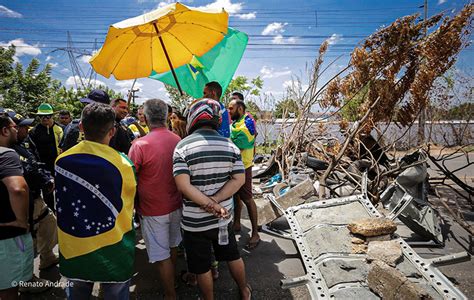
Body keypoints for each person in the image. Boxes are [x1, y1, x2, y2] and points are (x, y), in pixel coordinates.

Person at [55, 103, 136, 300]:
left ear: (81, 127)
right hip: (114, 247)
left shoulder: (61, 161)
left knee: (77, 293)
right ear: (113, 131)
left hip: (74, 249)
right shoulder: (124, 163)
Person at [173, 99, 251, 300]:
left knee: (201, 267)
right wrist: (216, 201)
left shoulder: (182, 147)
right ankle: (244, 291)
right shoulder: (230, 145)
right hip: (223, 219)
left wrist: (210, 204)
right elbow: (239, 179)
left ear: (193, 118)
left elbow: (183, 185)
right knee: (232, 256)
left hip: (194, 223)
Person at [128, 99, 182, 300]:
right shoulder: (177, 140)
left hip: (152, 209)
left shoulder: (139, 145)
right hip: (176, 203)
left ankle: (170, 294)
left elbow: (130, 179)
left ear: (147, 118)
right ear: (167, 115)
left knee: (161, 255)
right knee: (173, 245)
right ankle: (172, 282)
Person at [8, 111, 58, 270]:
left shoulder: (23, 142)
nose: (26, 129)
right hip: (21, 202)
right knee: (28, 239)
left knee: (49, 223)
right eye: (21, 127)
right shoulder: (7, 153)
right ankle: (26, 280)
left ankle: (47, 257)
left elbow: (35, 163)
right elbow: (26, 172)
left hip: (36, 196)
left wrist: (47, 178)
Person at [0, 113, 34, 300]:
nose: (17, 129)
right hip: (8, 235)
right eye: (14, 127)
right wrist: (21, 220)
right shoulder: (7, 154)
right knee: (8, 289)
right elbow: (18, 188)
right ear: (4, 130)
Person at [228, 99, 260, 250]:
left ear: (240, 109)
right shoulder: (238, 123)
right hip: (236, 165)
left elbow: (237, 146)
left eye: (231, 109)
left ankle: (255, 233)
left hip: (244, 166)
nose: (229, 111)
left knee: (247, 198)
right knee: (236, 196)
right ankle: (237, 223)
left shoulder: (246, 125)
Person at [29, 103, 63, 211]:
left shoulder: (60, 129)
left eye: (48, 116)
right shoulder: (34, 131)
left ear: (52, 116)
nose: (45, 119)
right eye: (41, 116)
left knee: (61, 192)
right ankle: (51, 215)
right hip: (43, 167)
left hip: (58, 166)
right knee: (47, 193)